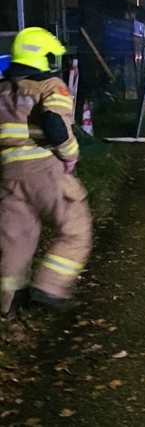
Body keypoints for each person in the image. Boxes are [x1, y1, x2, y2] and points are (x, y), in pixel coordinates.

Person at [0, 28, 91, 316]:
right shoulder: (51, 86)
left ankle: (9, 304)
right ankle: (49, 287)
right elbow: (54, 122)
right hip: (44, 169)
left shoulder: (2, 90)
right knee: (76, 229)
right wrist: (71, 155)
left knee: (15, 239)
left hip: (8, 173)